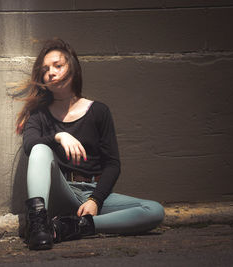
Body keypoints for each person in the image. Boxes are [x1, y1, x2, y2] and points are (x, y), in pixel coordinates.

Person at [13, 38, 165, 250]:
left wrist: (96, 200)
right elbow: (30, 145)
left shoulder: (99, 112)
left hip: (90, 193)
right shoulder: (39, 115)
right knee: (40, 148)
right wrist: (59, 136)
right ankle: (38, 226)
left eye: (58, 66)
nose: (51, 73)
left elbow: (113, 164)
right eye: (46, 69)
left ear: (73, 68)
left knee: (154, 211)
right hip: (60, 190)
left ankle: (75, 227)